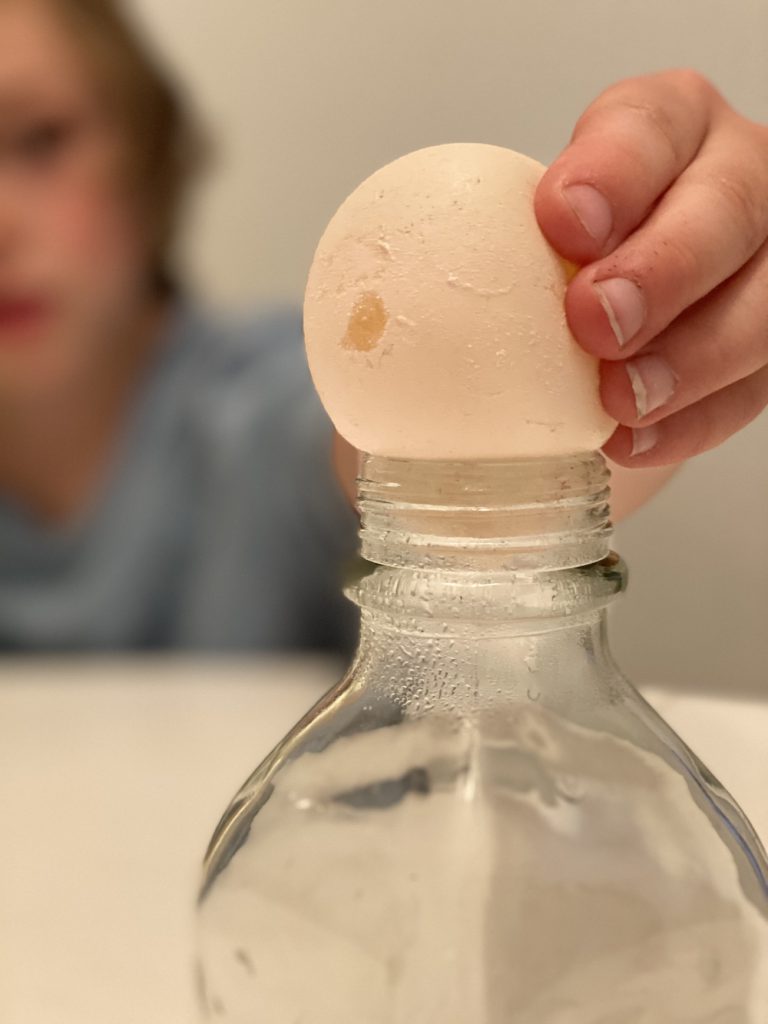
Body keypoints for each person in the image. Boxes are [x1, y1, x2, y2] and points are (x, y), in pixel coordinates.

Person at [0, 0, 765, 652]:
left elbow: (422, 453)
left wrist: (654, 309)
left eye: (40, 139)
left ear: (144, 152)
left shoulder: (249, 412)